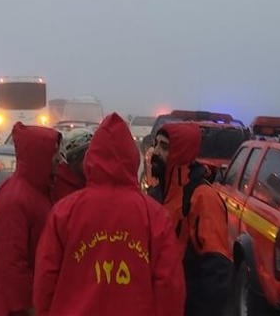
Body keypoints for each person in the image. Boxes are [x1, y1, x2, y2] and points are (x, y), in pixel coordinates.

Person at [34, 113, 185, 316]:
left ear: (91, 157)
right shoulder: (155, 216)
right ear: (132, 158)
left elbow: (45, 279)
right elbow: (169, 287)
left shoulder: (64, 212)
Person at [0, 122, 61, 316]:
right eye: (54, 152)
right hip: (13, 308)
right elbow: (12, 263)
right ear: (38, 155)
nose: (59, 159)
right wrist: (29, 306)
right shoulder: (15, 199)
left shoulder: (37, 189)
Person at [151, 123, 233, 316]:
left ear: (180, 152)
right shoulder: (157, 194)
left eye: (164, 147)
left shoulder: (203, 198)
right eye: (156, 144)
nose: (156, 152)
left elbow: (217, 268)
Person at [50, 128, 93, 203]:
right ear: (74, 159)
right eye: (87, 156)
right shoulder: (61, 187)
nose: (93, 161)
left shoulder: (90, 179)